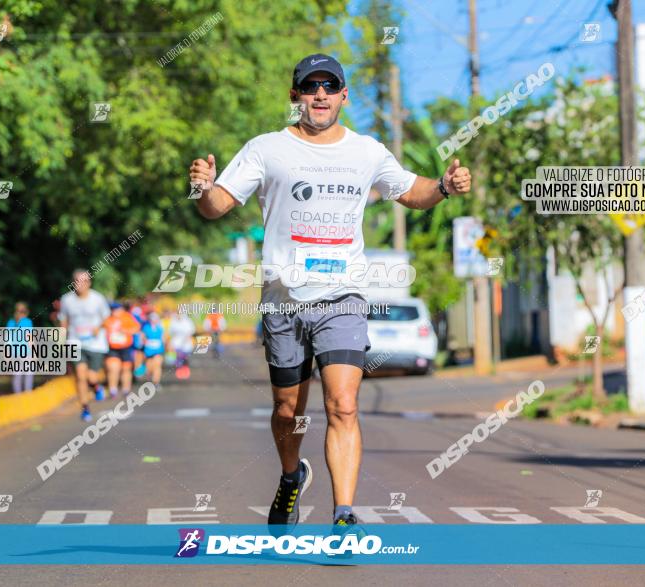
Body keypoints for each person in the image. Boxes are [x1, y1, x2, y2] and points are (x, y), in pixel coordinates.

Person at [189, 54, 471, 533]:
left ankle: (344, 514)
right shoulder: (265, 148)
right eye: (310, 85)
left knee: (342, 403)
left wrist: (444, 186)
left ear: (343, 95)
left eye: (330, 85)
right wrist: (202, 188)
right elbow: (218, 206)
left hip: (344, 297)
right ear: (295, 95)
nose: (320, 94)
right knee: (287, 411)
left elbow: (411, 190)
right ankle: (291, 474)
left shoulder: (367, 151)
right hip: (283, 300)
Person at [59, 269, 111, 421]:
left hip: (95, 343)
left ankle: (96, 386)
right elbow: (64, 322)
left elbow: (107, 318)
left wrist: (98, 327)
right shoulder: (66, 300)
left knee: (91, 377)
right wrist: (61, 342)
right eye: (77, 281)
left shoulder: (97, 299)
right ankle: (85, 408)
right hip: (75, 342)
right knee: (80, 377)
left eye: (84, 281)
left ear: (89, 283)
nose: (80, 284)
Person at [103, 301, 141, 397]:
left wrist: (125, 331)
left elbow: (136, 328)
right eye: (112, 309)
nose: (114, 311)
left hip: (126, 347)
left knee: (126, 368)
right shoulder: (108, 319)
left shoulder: (127, 317)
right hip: (112, 348)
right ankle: (113, 389)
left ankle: (126, 389)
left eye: (116, 309)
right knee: (113, 368)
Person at [6, 301, 34, 393]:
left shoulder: (10, 323)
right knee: (28, 374)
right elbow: (30, 339)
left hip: (15, 354)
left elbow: (8, 341)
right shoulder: (27, 322)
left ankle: (17, 397)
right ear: (26, 312)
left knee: (17, 375)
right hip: (27, 353)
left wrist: (7, 355)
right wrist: (34, 353)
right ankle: (27, 395)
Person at [167, 312, 195, 379]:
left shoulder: (187, 321)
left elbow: (191, 331)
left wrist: (187, 338)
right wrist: (169, 343)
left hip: (186, 343)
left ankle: (185, 370)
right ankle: (179, 370)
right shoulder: (173, 321)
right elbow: (170, 333)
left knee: (184, 357)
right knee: (178, 357)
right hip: (176, 342)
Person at [141, 312, 165, 388]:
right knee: (149, 367)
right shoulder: (146, 328)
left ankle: (156, 381)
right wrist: (145, 342)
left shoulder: (160, 328)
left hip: (158, 349)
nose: (154, 320)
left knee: (157, 365)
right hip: (148, 350)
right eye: (152, 319)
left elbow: (164, 338)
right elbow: (143, 337)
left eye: (155, 319)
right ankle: (150, 380)